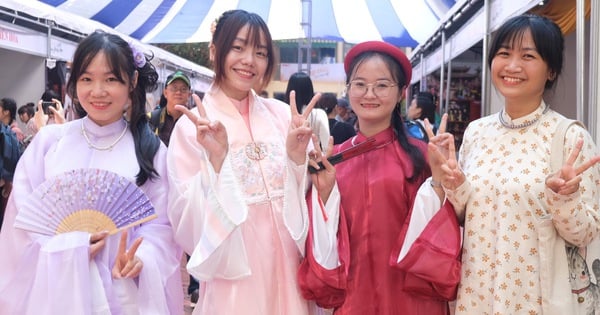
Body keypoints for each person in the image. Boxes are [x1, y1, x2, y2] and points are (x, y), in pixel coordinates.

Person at [0, 30, 183, 314]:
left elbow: (164, 227)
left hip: (123, 291)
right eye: (87, 79)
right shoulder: (49, 143)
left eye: (111, 79)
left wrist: (142, 257)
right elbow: (20, 227)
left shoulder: (150, 151)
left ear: (132, 81)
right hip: (56, 294)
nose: (97, 91)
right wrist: (71, 248)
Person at [433, 14, 600, 314]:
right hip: (477, 297)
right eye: (504, 53)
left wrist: (565, 198)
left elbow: (586, 234)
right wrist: (455, 184)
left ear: (551, 70)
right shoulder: (476, 132)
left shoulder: (570, 137)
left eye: (528, 56)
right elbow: (464, 218)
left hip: (536, 300)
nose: (512, 66)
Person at [167, 9, 320, 315]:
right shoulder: (191, 127)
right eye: (238, 48)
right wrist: (216, 164)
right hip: (234, 275)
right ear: (215, 51)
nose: (249, 60)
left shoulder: (280, 115)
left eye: (260, 52)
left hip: (290, 268)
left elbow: (306, 199)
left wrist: (296, 160)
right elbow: (185, 221)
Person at [298, 41, 456, 314]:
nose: (369, 94)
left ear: (401, 93)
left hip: (413, 300)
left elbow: (441, 234)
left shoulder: (424, 158)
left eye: (382, 85)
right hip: (354, 298)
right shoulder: (333, 160)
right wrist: (323, 193)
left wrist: (441, 181)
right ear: (348, 89)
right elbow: (321, 237)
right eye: (360, 84)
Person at [285, 71, 330, 151]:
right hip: (313, 159)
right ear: (310, 89)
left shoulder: (281, 112)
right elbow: (326, 145)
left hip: (286, 160)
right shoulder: (319, 114)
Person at [149, 70, 191, 147]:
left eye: (183, 89)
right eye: (174, 88)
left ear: (189, 95)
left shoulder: (193, 121)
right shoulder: (151, 118)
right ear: (165, 93)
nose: (178, 92)